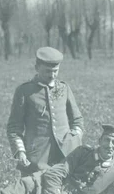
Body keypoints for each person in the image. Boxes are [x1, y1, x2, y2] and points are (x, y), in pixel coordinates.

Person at [6, 47, 83, 176]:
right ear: (37, 68)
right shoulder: (24, 91)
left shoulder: (64, 88)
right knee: (35, 191)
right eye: (47, 71)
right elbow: (14, 127)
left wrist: (75, 138)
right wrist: (20, 151)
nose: (52, 75)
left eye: (55, 71)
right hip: (37, 157)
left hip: (66, 154)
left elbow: (77, 120)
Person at [42, 125, 114, 194]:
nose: (110, 145)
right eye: (107, 140)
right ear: (100, 141)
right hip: (54, 192)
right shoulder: (83, 153)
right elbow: (55, 173)